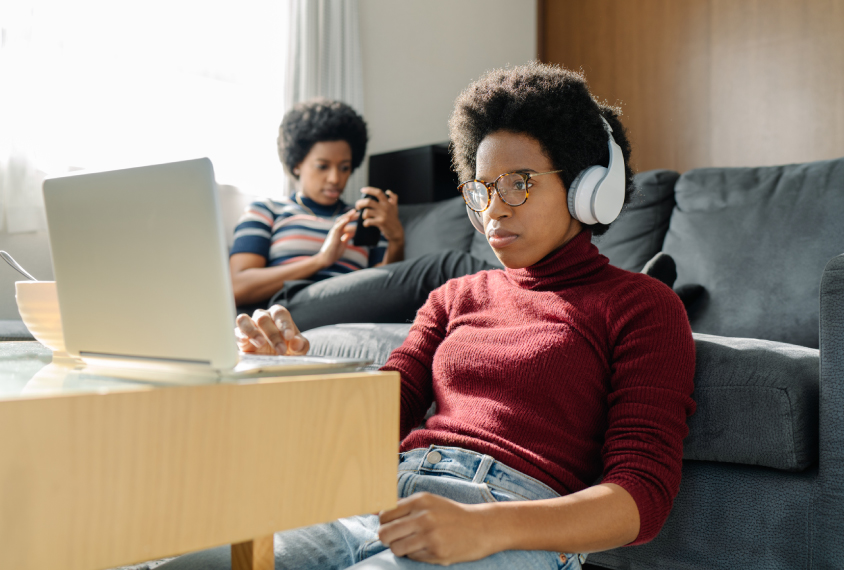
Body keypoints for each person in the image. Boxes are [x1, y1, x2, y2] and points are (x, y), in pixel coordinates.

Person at [161, 62, 696, 569]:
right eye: (481, 188)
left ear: (586, 188)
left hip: (512, 518)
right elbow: (376, 419)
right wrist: (301, 378)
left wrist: (487, 526)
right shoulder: (453, 296)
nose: (493, 208)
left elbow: (640, 500)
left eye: (519, 182)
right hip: (380, 501)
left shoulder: (642, 306)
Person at [230, 98, 494, 331]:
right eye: (323, 166)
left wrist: (395, 239)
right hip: (290, 304)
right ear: (297, 164)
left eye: (344, 168)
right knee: (446, 267)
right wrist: (321, 260)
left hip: (351, 303)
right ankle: (525, 295)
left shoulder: (363, 217)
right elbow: (237, 287)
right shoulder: (268, 210)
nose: (335, 178)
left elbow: (380, 287)